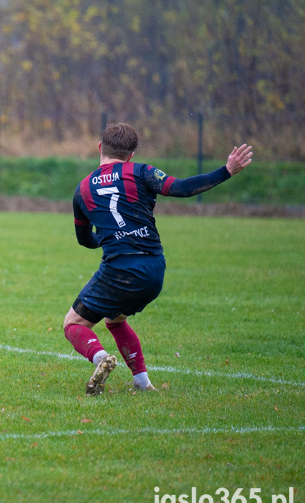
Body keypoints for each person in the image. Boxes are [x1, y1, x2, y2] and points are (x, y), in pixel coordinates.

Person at [64, 122, 252, 395]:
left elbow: (84, 240)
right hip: (154, 270)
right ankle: (142, 383)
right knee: (115, 320)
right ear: (131, 155)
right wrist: (227, 171)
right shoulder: (141, 172)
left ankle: (101, 358)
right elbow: (183, 188)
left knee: (73, 324)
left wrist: (107, 238)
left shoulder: (82, 190)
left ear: (100, 147)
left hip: (119, 270)